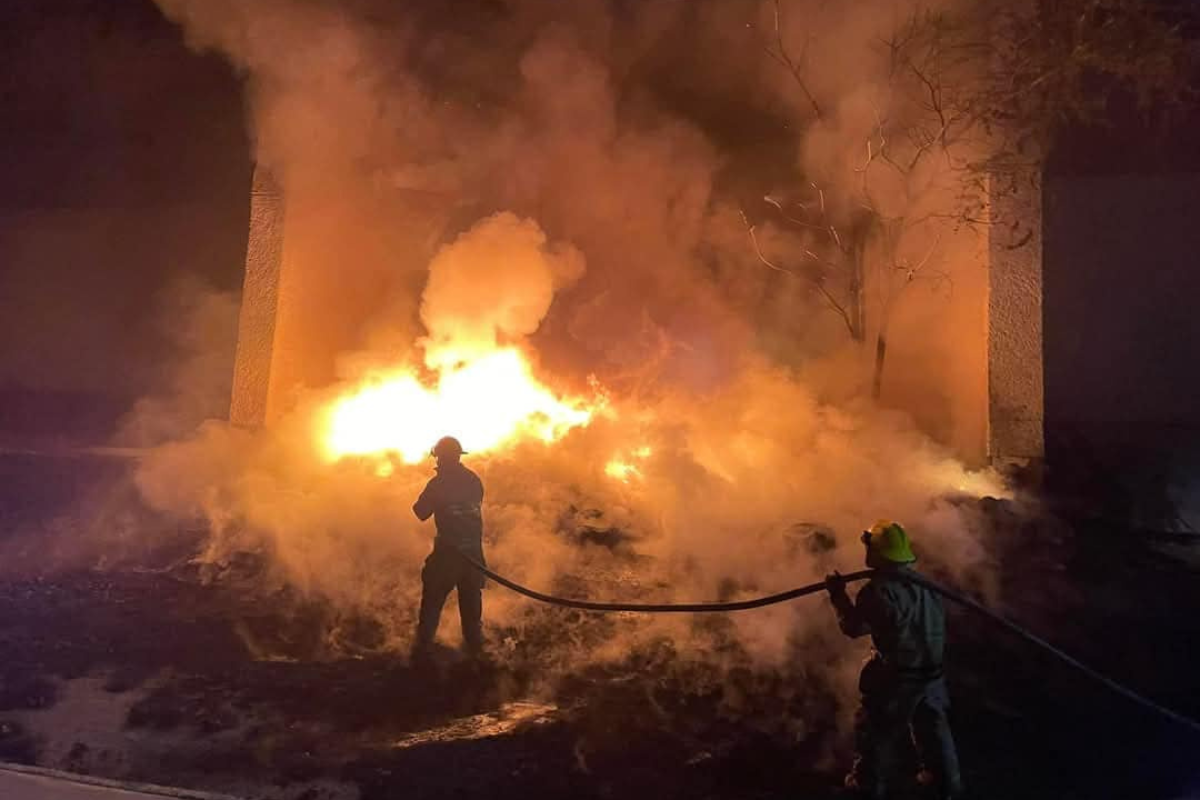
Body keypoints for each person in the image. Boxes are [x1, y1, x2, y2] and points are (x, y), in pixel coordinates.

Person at [826, 520, 964, 800]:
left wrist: (838, 595)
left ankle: (867, 786)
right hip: (932, 674)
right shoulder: (926, 585)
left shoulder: (878, 591)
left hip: (899, 678)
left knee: (875, 733)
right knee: (934, 732)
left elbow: (854, 628)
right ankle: (947, 785)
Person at [411, 435, 486, 662]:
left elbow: (420, 512)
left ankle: (421, 655)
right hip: (474, 555)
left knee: (432, 603)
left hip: (448, 555)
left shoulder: (439, 484)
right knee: (472, 612)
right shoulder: (474, 480)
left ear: (441, 458)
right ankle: (476, 659)